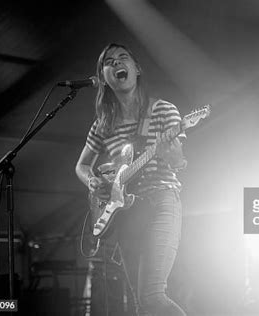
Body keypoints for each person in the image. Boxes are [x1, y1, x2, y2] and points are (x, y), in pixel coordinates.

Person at [76, 43, 187, 316]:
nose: (116, 63)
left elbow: (178, 163)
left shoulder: (163, 111)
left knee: (152, 296)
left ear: (137, 69)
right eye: (109, 62)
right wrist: (94, 182)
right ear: (103, 78)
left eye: (122, 58)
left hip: (161, 200)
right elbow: (81, 166)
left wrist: (169, 152)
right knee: (141, 305)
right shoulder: (103, 124)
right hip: (126, 211)